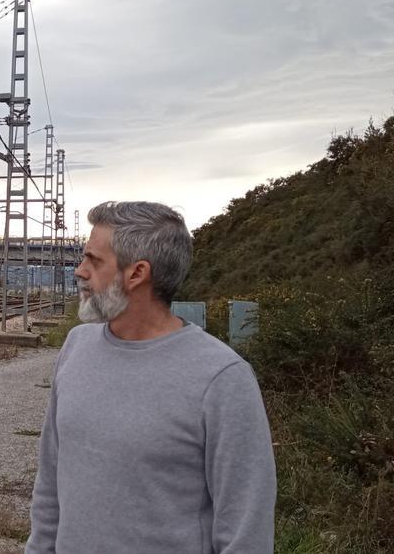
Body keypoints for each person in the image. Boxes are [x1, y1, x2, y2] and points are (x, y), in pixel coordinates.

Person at [25, 201, 275, 554]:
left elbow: (246, 530)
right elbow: (49, 480)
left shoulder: (222, 377)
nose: (80, 271)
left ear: (137, 273)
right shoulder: (76, 347)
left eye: (93, 261)